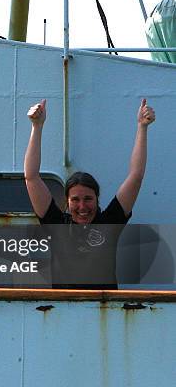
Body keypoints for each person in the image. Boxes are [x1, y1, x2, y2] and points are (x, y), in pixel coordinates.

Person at [24, 98, 155, 288]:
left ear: (97, 199)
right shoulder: (56, 224)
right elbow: (31, 177)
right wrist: (37, 126)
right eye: (75, 200)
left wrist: (142, 127)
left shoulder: (110, 222)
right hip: (63, 313)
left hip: (105, 312)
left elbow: (136, 177)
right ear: (67, 202)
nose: (82, 206)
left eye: (88, 199)